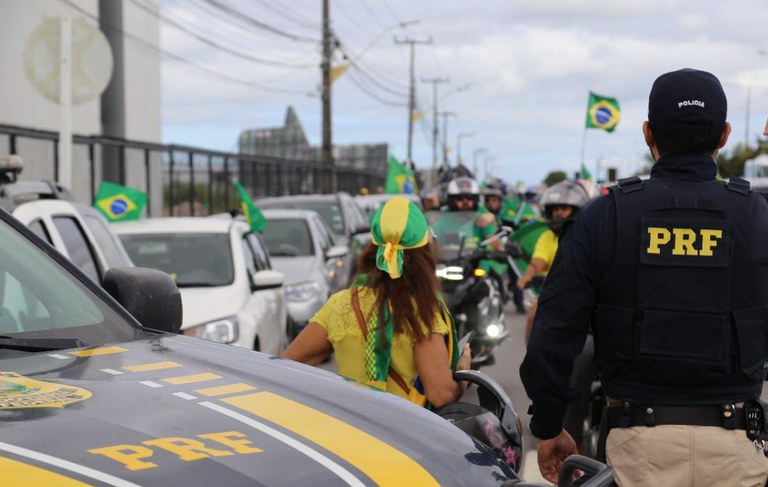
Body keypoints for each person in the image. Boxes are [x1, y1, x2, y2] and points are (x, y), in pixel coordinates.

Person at [520, 68, 768, 486]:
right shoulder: (759, 217)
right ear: (724, 135)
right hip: (736, 449)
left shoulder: (605, 215)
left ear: (648, 132)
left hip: (636, 449)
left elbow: (554, 330)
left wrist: (547, 425)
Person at [283, 197, 471, 408]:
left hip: (348, 431)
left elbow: (285, 368)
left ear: (371, 250)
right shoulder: (421, 311)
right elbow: (441, 394)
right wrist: (463, 373)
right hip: (404, 437)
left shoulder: (341, 304)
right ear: (424, 254)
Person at [516, 179, 589, 341]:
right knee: (533, 313)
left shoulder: (587, 235)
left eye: (563, 208)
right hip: (552, 292)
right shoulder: (547, 236)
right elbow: (537, 261)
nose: (558, 213)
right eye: (555, 209)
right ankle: (533, 360)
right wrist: (527, 277)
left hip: (583, 294)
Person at [430, 176, 502, 251]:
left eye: (469, 197)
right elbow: (431, 240)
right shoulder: (442, 217)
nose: (465, 202)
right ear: (451, 200)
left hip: (475, 261)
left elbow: (496, 244)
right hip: (448, 261)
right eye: (459, 198)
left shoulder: (482, 216)